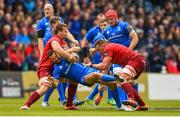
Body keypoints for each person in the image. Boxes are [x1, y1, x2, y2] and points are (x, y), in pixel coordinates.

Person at [20, 22, 79, 110]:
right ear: (59, 32)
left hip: (56, 68)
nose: (67, 33)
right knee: (46, 86)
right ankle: (26, 105)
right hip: (45, 68)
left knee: (74, 79)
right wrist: (70, 56)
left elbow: (69, 51)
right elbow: (56, 49)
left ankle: (69, 104)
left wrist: (73, 53)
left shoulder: (63, 42)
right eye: (65, 31)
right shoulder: (55, 39)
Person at [48, 51, 133, 111]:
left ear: (57, 54)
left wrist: (74, 55)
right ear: (50, 60)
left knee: (113, 84)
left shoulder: (65, 57)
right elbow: (56, 83)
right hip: (83, 78)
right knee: (96, 75)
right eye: (53, 59)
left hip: (88, 70)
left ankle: (120, 106)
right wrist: (53, 82)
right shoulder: (56, 70)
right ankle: (117, 78)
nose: (55, 59)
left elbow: (75, 54)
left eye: (55, 56)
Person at [36, 4, 79, 107]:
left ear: (53, 10)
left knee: (61, 76)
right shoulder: (41, 23)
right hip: (52, 54)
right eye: (45, 9)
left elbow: (66, 32)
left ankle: (60, 99)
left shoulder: (59, 20)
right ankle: (65, 99)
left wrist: (73, 40)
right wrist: (42, 54)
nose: (46, 11)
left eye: (48, 9)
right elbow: (40, 40)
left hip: (60, 50)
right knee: (59, 76)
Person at [91, 35, 148, 111]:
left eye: (99, 49)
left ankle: (131, 99)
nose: (98, 52)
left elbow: (104, 66)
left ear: (103, 45)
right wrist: (101, 86)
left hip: (135, 60)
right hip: (140, 61)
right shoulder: (107, 51)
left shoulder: (107, 48)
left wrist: (91, 65)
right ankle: (142, 105)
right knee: (127, 82)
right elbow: (106, 68)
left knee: (121, 78)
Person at [81, 13, 116, 106]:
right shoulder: (94, 32)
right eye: (101, 23)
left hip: (108, 56)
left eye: (105, 23)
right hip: (98, 57)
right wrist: (85, 56)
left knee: (109, 74)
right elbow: (85, 43)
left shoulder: (110, 32)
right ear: (98, 22)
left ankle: (106, 97)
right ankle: (96, 96)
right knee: (103, 76)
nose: (103, 25)